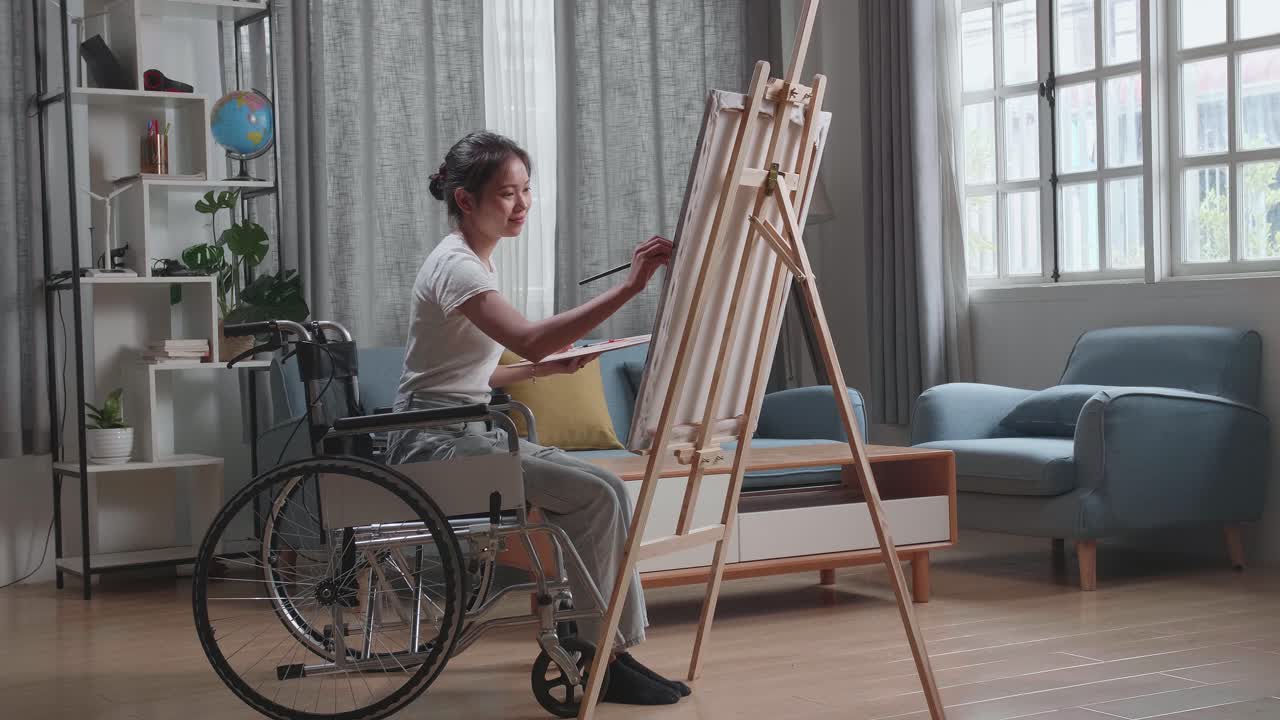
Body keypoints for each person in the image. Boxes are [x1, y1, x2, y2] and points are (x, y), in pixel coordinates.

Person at [385, 130, 685, 706]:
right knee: (595, 496)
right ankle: (600, 653)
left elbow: (467, 373)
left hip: (465, 428)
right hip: (432, 442)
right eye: (506, 194)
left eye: (526, 191)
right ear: (466, 200)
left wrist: (537, 375)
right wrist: (632, 286)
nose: (521, 205)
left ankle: (607, 651)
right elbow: (529, 339)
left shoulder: (472, 262)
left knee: (608, 489)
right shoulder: (460, 268)